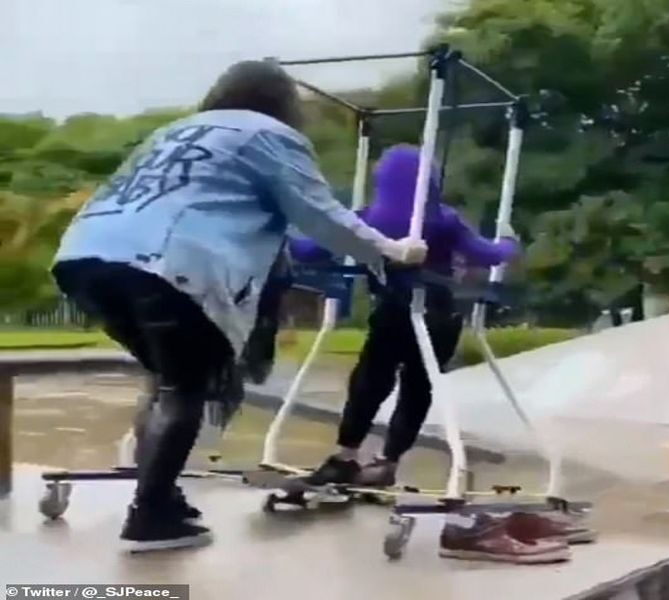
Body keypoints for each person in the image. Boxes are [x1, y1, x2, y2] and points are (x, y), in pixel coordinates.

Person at [50, 60, 428, 553]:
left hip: (85, 257)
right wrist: (393, 251)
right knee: (183, 388)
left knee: (166, 380)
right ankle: (150, 516)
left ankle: (160, 495)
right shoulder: (269, 135)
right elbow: (321, 215)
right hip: (168, 261)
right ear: (282, 103)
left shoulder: (175, 132)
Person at [290, 144, 520, 487]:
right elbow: (487, 255)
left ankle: (345, 455)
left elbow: (308, 251)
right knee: (418, 389)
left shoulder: (366, 218)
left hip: (392, 311)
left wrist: (283, 225)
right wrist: (509, 242)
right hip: (439, 315)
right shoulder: (445, 220)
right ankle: (388, 461)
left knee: (369, 382)